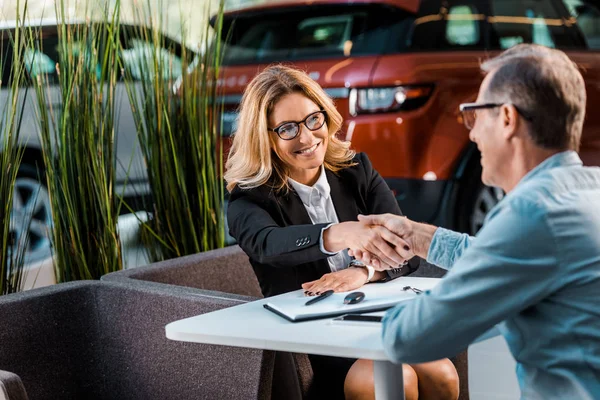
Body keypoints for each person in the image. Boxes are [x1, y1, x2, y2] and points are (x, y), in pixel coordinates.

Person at [350, 44, 600, 399]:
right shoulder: (588, 191)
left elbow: (411, 338)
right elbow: (501, 256)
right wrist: (414, 235)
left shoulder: (533, 212)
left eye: (475, 115)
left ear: (508, 119)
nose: (472, 134)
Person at [225, 65, 459, 400]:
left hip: (374, 317)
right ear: (265, 137)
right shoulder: (248, 199)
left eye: (312, 120)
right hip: (316, 340)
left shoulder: (356, 171)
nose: (307, 137)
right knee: (394, 380)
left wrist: (362, 272)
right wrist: (340, 233)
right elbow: (269, 245)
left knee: (442, 372)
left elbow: (404, 251)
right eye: (288, 129)